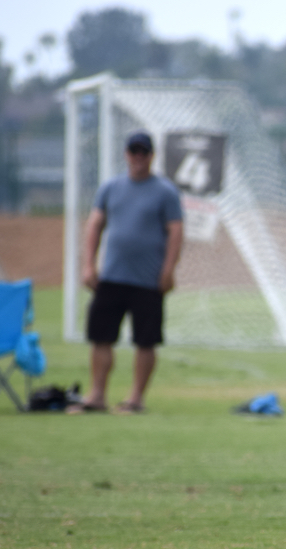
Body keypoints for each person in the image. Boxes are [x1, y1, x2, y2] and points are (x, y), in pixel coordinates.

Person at [69, 131, 184, 415]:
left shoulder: (165, 192)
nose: (138, 157)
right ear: (126, 154)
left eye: (143, 152)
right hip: (112, 276)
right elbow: (95, 225)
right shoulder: (110, 188)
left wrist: (168, 271)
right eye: (133, 151)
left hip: (148, 280)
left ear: (151, 156)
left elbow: (176, 232)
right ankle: (96, 396)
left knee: (145, 340)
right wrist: (88, 265)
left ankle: (135, 399)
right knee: (101, 337)